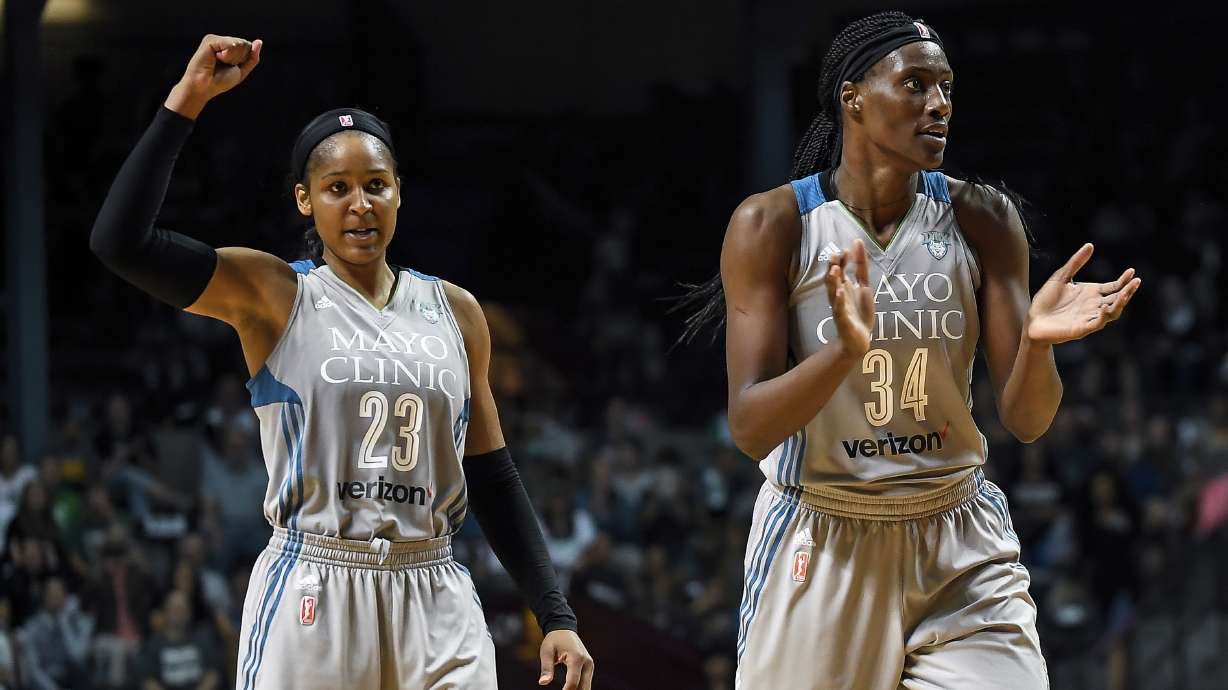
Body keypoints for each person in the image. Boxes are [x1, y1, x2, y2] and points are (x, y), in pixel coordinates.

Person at [90, 34, 594, 689]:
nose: (360, 205)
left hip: (434, 584)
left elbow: (492, 474)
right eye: (337, 188)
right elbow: (120, 243)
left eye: (375, 186)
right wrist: (186, 101)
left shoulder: (457, 312)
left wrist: (554, 613)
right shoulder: (275, 294)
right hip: (316, 581)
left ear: (399, 194)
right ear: (305, 199)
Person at [683, 11, 1140, 689]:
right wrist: (841, 353)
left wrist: (1038, 346)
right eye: (917, 83)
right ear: (853, 97)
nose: (939, 104)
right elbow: (750, 427)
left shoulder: (982, 216)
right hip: (825, 533)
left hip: (959, 535)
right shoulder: (772, 224)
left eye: (947, 87)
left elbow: (1028, 420)